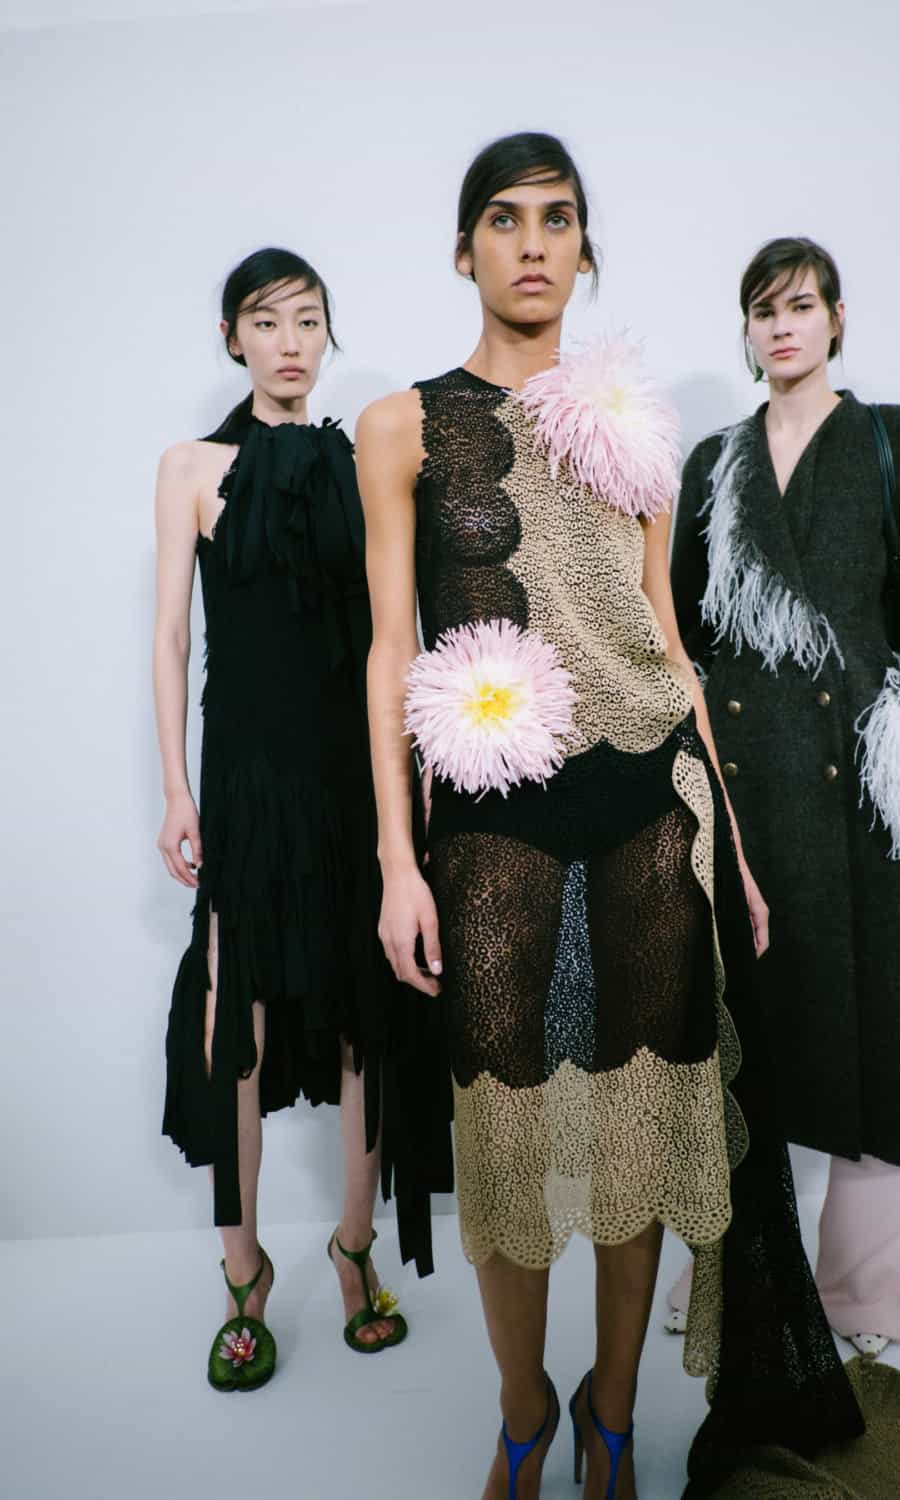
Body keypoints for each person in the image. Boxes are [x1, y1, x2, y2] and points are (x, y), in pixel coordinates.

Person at [354, 133, 895, 1500]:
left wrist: (739, 855)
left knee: (640, 1135)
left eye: (558, 219)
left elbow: (667, 635)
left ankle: (611, 1416)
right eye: (504, 218)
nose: (532, 243)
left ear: (585, 250)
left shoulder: (636, 424)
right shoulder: (401, 426)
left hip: (652, 808)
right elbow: (386, 649)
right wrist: (396, 861)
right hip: (492, 824)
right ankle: (522, 1409)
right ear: (463, 249)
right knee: (503, 1142)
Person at [667, 236, 900, 1359]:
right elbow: (682, 633)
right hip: (749, 793)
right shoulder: (714, 464)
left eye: (800, 305)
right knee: (738, 1043)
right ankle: (735, 1278)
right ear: (747, 329)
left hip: (871, 799)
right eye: (762, 309)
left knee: (880, 1037)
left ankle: (861, 1292)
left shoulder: (896, 439)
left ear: (836, 319)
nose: (781, 326)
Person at [154, 247, 425, 1389]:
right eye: (266, 321)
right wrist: (176, 789)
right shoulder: (191, 467)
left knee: (364, 1011)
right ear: (233, 337)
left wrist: (410, 787)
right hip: (246, 782)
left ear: (326, 335)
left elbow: (398, 628)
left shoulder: (361, 462)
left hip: (353, 775)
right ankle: (243, 1273)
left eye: (308, 320)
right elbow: (171, 637)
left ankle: (355, 1248)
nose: (290, 342)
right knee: (239, 1027)